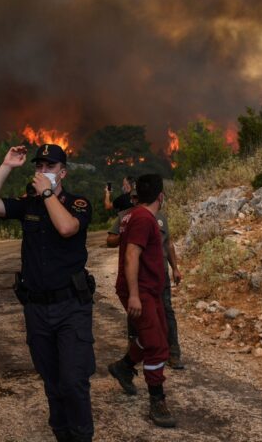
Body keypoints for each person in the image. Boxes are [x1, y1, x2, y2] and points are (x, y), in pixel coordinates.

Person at [0, 144, 95, 442]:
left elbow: (67, 228)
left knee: (73, 380)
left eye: (50, 167)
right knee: (52, 381)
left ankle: (82, 436)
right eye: (39, 167)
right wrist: (6, 165)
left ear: (63, 173)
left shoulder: (78, 203)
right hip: (37, 308)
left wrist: (47, 194)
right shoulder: (27, 204)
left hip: (71, 306)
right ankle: (61, 434)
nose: (43, 172)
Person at [108, 174, 176, 428]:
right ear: (161, 196)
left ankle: (124, 367)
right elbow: (131, 256)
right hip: (141, 291)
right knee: (157, 346)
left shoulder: (133, 215)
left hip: (150, 290)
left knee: (159, 334)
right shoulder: (143, 218)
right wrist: (134, 295)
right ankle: (157, 401)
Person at [107, 206, 184, 370]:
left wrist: (175, 268)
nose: (136, 200)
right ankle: (136, 358)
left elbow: (168, 244)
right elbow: (112, 241)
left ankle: (173, 352)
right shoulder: (126, 216)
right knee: (141, 320)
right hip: (140, 279)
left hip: (160, 276)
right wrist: (127, 234)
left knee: (167, 312)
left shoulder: (161, 216)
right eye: (133, 198)